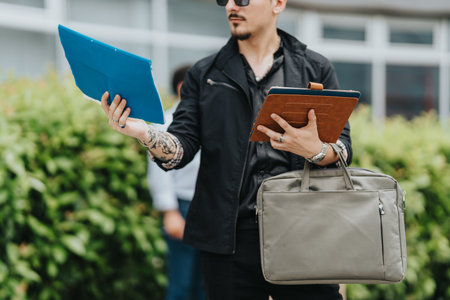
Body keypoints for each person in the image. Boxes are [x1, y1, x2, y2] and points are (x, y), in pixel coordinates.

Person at [101, 0, 352, 299]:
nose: (232, 5)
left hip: (303, 232)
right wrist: (143, 132)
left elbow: (343, 150)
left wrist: (315, 150)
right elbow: (180, 150)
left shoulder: (315, 67)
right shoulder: (203, 74)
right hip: (229, 240)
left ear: (278, 3)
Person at [146, 65, 205, 300]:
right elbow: (159, 172)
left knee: (206, 283)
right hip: (183, 207)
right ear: (183, 87)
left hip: (210, 207)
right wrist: (170, 212)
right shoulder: (166, 123)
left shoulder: (210, 120)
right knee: (182, 283)